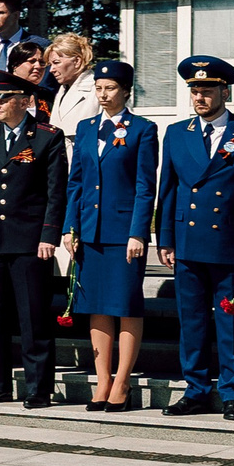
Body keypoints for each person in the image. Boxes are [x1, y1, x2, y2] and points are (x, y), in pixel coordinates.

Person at [0, 75, 66, 407]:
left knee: (33, 317)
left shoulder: (46, 138)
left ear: (24, 102)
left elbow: (55, 193)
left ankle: (38, 388)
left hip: (29, 241)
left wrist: (49, 235)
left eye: (3, 100)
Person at [156, 56, 234, 421]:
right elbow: (169, 189)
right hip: (188, 242)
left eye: (207, 91)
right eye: (195, 91)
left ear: (225, 91)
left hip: (231, 243)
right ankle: (195, 390)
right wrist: (165, 239)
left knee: (232, 324)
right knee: (191, 321)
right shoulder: (178, 133)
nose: (200, 98)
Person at [62, 60, 153, 413]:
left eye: (110, 88)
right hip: (89, 231)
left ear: (126, 91)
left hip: (123, 232)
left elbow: (146, 186)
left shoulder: (143, 129)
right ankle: (102, 380)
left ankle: (122, 380)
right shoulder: (85, 128)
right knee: (96, 306)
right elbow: (76, 183)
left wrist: (138, 232)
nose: (103, 95)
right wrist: (72, 227)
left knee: (126, 305)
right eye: (99, 88)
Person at [46, 35, 99, 140]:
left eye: (56, 63)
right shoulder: (62, 91)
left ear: (77, 61)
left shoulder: (97, 90)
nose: (51, 70)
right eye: (50, 64)